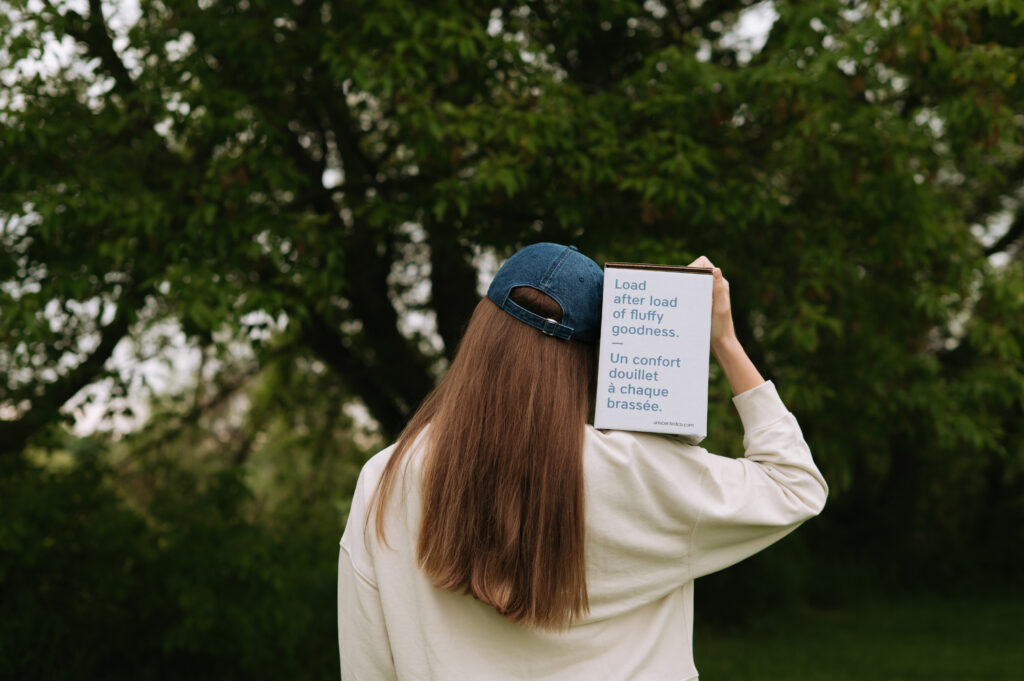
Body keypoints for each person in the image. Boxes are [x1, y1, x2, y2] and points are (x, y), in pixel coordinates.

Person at [338, 243, 827, 681]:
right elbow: (794, 485)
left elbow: (368, 664)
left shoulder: (386, 477)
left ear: (479, 332)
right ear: (595, 359)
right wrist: (724, 340)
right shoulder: (638, 470)